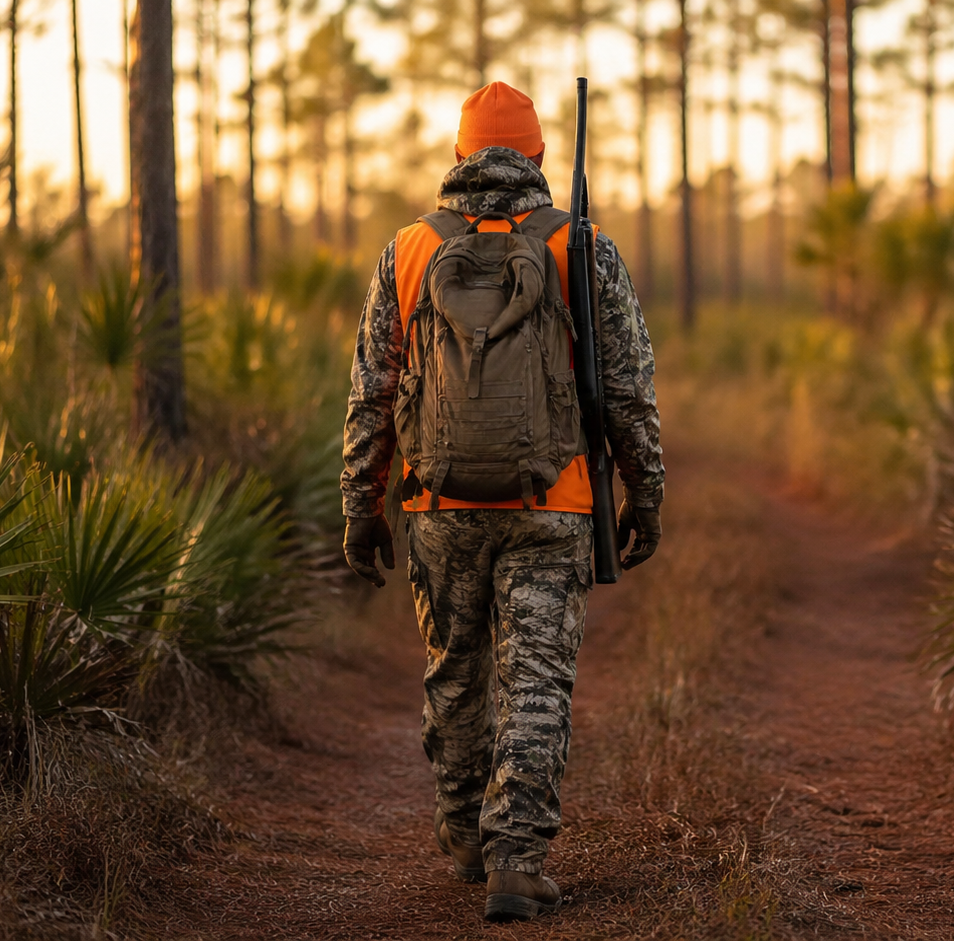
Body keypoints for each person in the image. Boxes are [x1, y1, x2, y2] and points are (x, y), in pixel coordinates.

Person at [338, 81, 664, 923]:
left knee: (456, 669)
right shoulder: (578, 244)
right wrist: (645, 494)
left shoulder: (409, 249)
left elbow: (373, 392)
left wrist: (359, 505)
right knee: (537, 679)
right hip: (553, 500)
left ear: (458, 157)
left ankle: (463, 837)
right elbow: (627, 388)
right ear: (541, 157)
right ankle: (517, 857)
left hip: (436, 502)